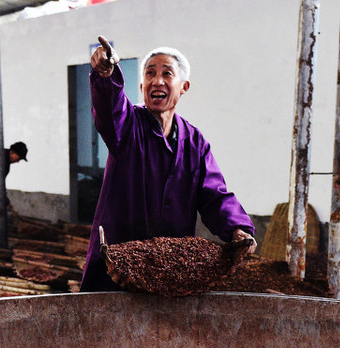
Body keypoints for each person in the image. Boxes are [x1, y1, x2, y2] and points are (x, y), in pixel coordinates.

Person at [81, 36, 256, 292]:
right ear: (142, 86)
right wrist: (105, 76)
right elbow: (109, 109)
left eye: (167, 73)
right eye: (150, 74)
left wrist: (236, 227)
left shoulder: (194, 142)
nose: (157, 80)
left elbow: (214, 195)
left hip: (171, 269)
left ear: (183, 86)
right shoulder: (127, 126)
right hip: (117, 264)